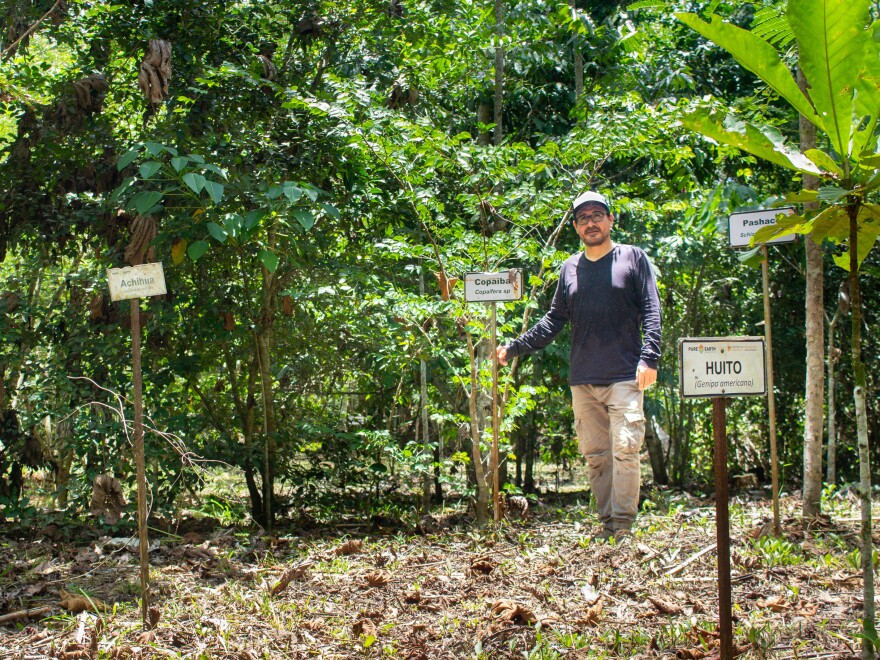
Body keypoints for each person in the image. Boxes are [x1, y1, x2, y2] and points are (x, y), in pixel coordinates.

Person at [497, 191, 661, 541]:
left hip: (625, 374)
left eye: (597, 215)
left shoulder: (632, 257)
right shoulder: (570, 267)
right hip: (583, 378)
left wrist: (650, 357)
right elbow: (554, 320)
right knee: (597, 455)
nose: (591, 222)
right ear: (575, 227)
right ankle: (606, 525)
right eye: (583, 217)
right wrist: (515, 347)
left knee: (625, 450)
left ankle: (623, 527)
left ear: (611, 220)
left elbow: (651, 309)